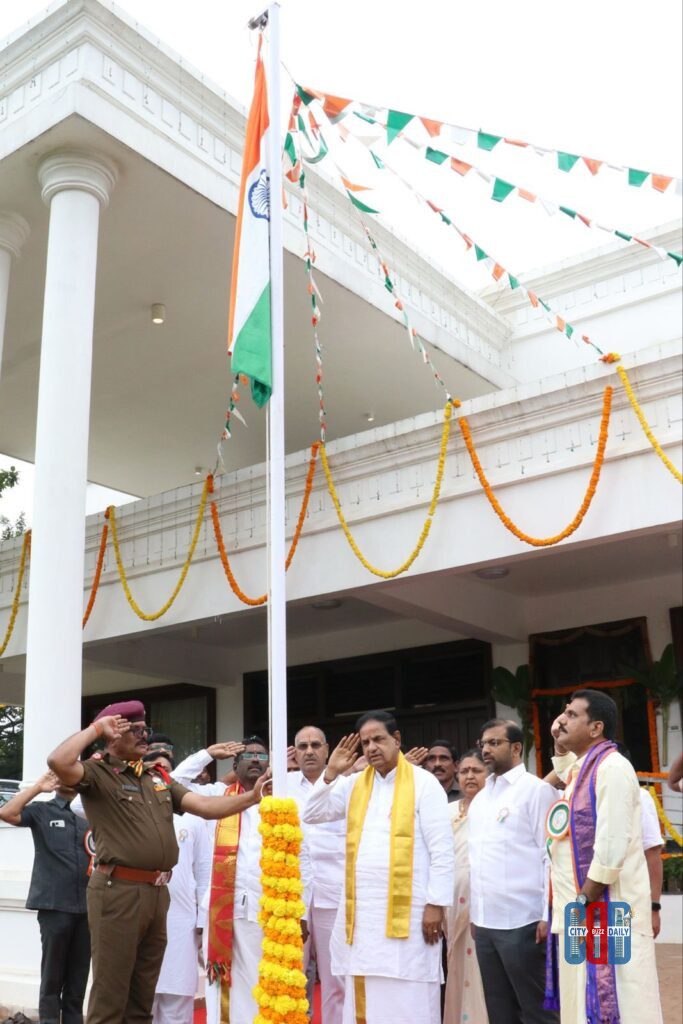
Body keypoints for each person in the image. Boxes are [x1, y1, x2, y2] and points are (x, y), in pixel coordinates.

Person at [47, 700, 270, 1024]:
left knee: (142, 996)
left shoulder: (157, 777)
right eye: (133, 730)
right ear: (112, 734)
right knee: (111, 996)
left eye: (144, 729)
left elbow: (204, 806)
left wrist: (252, 797)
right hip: (117, 890)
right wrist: (95, 729)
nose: (144, 736)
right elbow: (57, 761)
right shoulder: (97, 774)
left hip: (156, 892)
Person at [303, 710, 454, 1024]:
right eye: (366, 741)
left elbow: (442, 850)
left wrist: (436, 904)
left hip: (411, 916)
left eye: (379, 739)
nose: (371, 747)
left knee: (410, 996)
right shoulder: (354, 784)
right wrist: (330, 774)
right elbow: (312, 814)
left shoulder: (425, 784)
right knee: (366, 996)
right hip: (363, 921)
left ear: (396, 740)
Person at [173, 736, 310, 1024]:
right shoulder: (216, 797)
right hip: (224, 912)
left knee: (266, 983)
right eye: (250, 755)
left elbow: (302, 859)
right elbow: (174, 782)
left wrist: (302, 912)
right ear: (235, 765)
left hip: (270, 913)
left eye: (262, 756)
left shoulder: (284, 802)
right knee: (222, 987)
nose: (257, 760)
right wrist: (207, 754)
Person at [546, 689, 663, 1024]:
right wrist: (558, 743)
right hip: (581, 911)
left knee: (621, 999)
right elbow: (566, 770)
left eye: (571, 715)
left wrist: (583, 902)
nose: (561, 719)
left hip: (608, 911)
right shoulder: (583, 770)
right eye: (563, 712)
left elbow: (611, 849)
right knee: (580, 998)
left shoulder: (612, 767)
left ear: (595, 728)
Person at [467, 718, 558, 1024]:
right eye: (484, 744)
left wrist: (548, 914)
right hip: (486, 923)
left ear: (516, 747)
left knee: (536, 1008)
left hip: (524, 921)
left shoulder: (536, 791)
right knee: (499, 1009)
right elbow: (478, 859)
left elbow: (551, 856)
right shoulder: (481, 798)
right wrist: (474, 916)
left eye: (495, 743)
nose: (486, 750)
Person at [0, 769, 91, 1024]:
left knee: (78, 979)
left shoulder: (91, 813)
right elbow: (7, 813)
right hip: (54, 906)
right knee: (52, 977)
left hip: (88, 907)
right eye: (61, 773)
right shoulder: (42, 811)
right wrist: (38, 787)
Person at [144, 752, 212, 1024]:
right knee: (141, 1000)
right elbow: (79, 805)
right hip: (141, 917)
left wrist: (202, 920)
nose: (157, 776)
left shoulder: (192, 818)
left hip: (182, 922)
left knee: (176, 1004)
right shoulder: (129, 813)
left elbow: (204, 873)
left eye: (165, 771)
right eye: (150, 771)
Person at [288, 725, 346, 1024]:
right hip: (289, 895)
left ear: (327, 749)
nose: (309, 751)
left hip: (332, 893)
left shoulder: (347, 785)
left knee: (336, 976)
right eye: (302, 746)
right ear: (293, 753)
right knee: (289, 975)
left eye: (315, 745)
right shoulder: (280, 784)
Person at [443, 749, 489, 1024]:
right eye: (464, 771)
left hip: (485, 903)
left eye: (477, 771)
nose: (469, 776)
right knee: (457, 968)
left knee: (482, 970)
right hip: (452, 903)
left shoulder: (496, 808)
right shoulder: (446, 811)